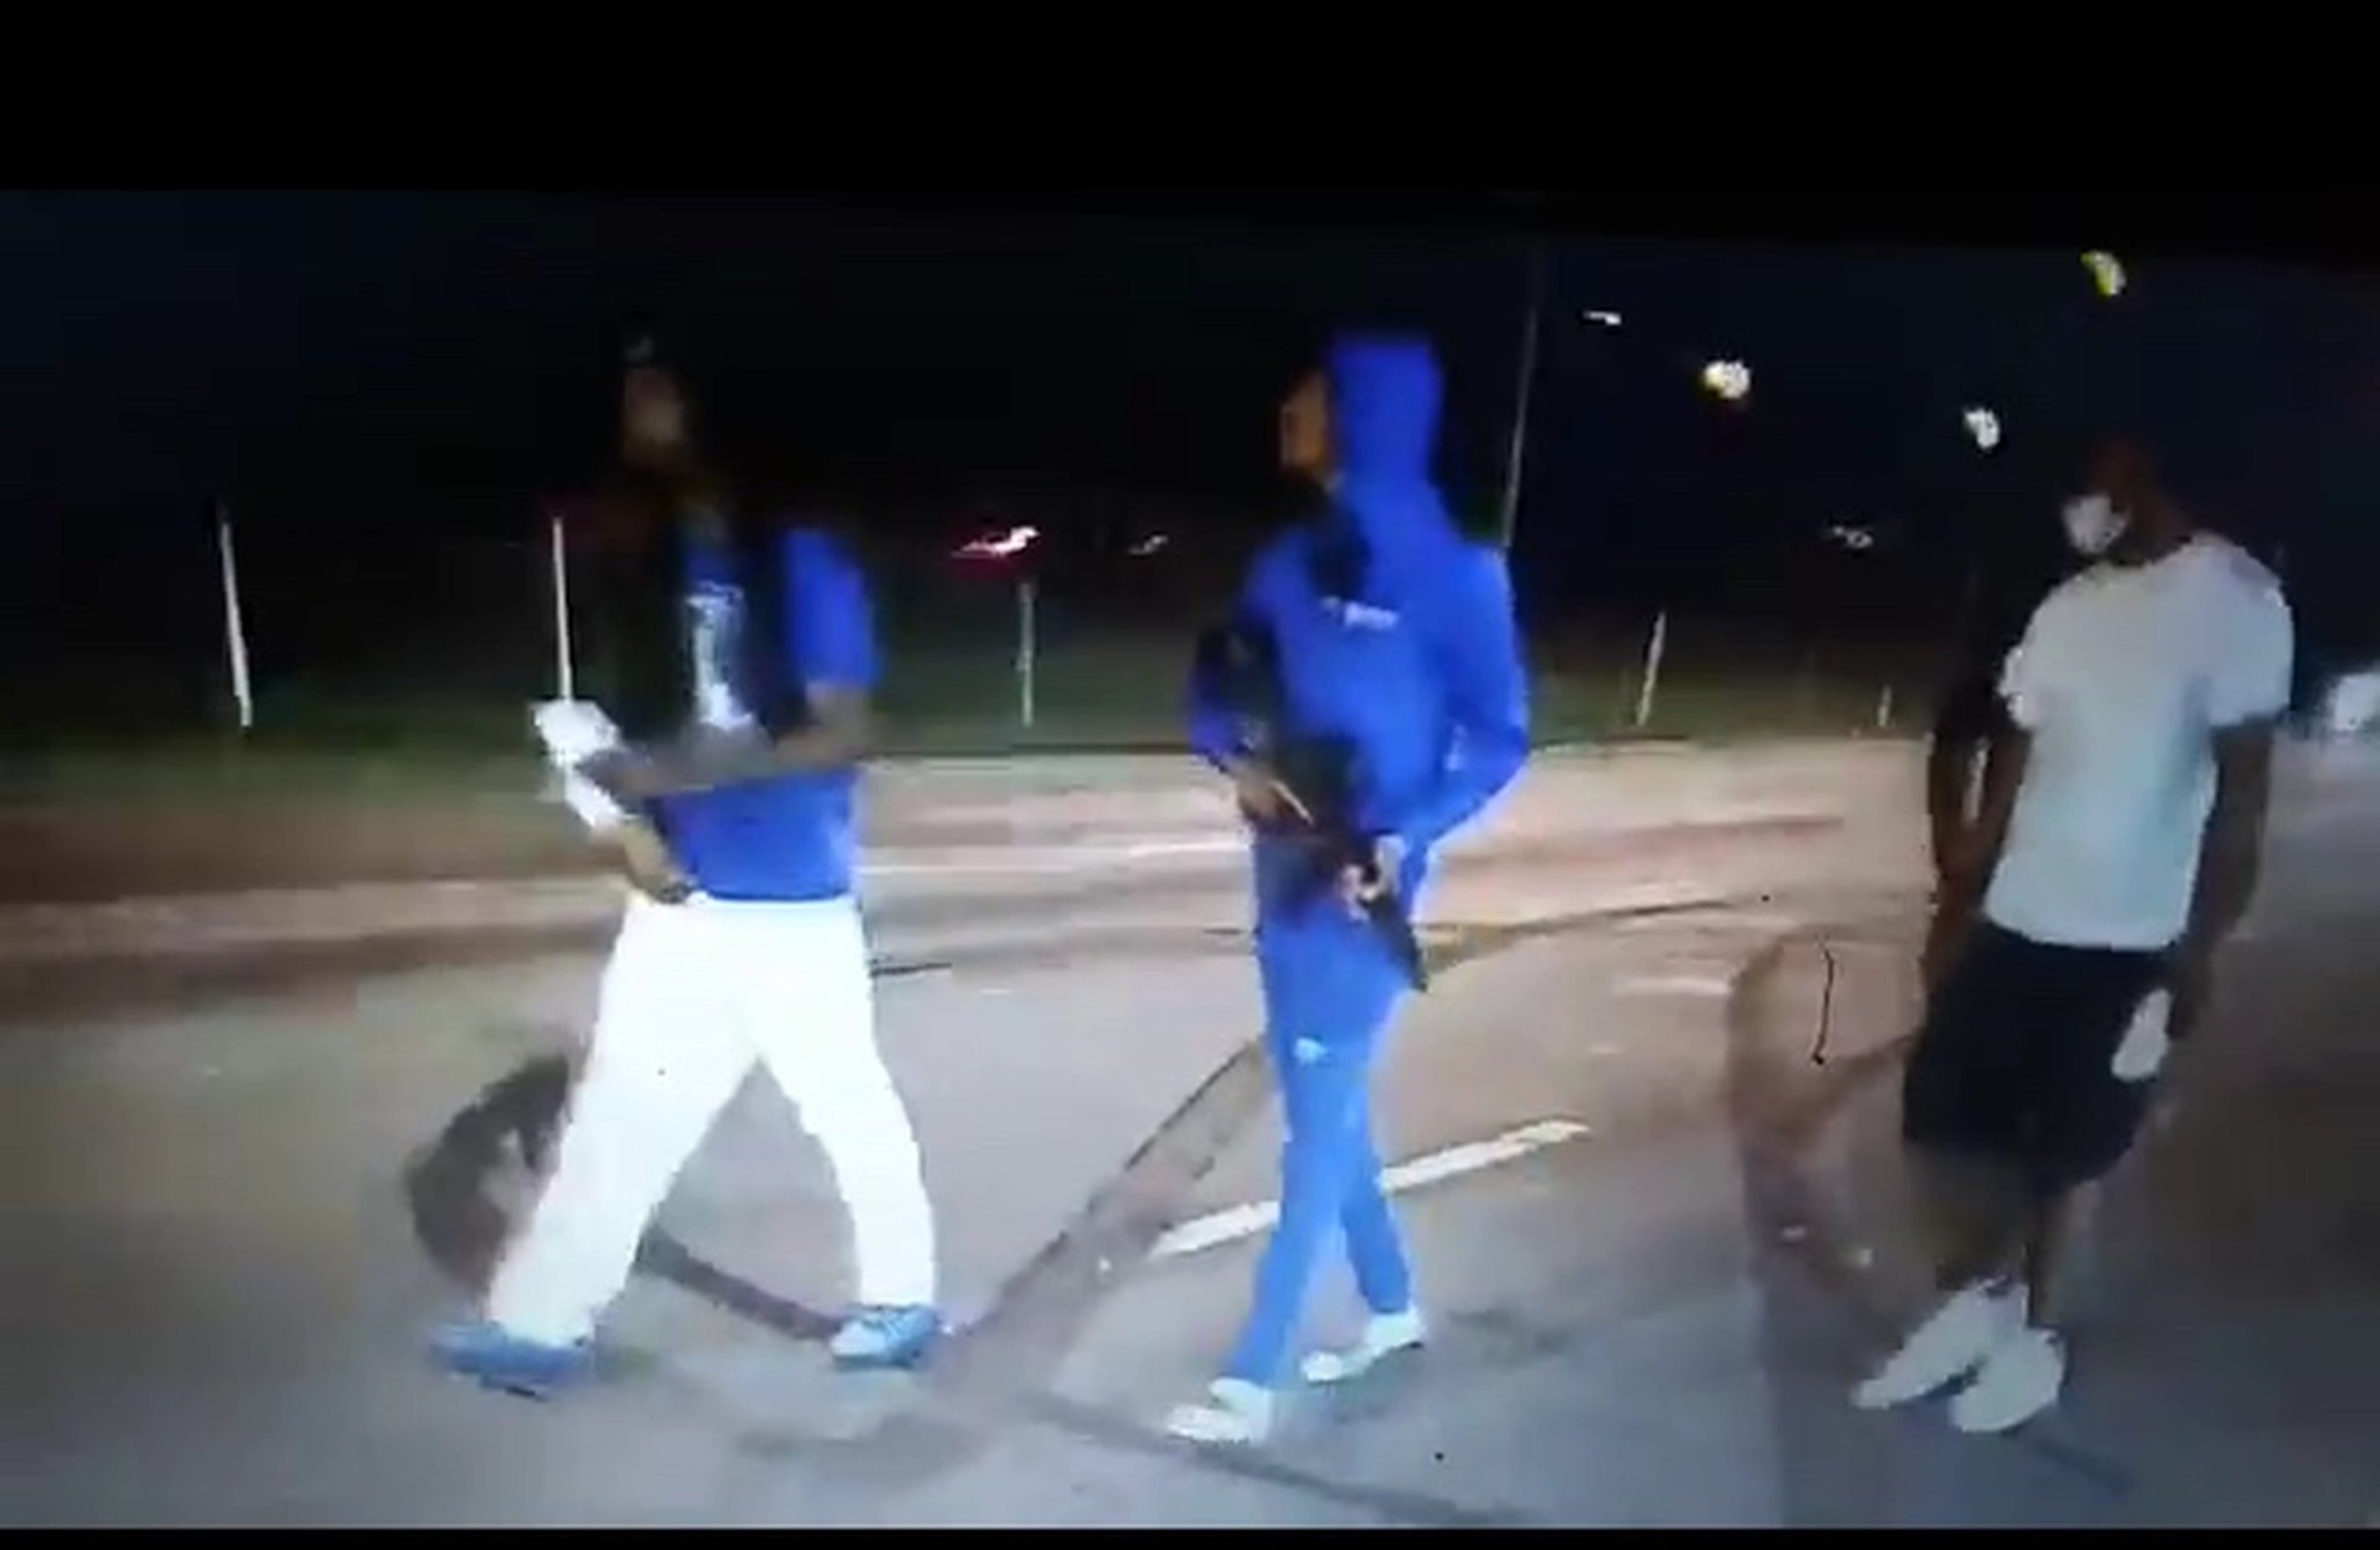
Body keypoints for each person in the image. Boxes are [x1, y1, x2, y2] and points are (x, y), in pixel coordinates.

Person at [431, 336, 943, 1397]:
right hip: (678, 899)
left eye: (655, 397)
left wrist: (682, 768)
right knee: (620, 1113)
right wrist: (621, 808)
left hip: (789, 897)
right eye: (630, 398)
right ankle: (540, 1322)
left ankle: (902, 1297)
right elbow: (626, 736)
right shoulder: (655, 571)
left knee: (844, 1104)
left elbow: (844, 728)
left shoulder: (799, 558)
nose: (634, 419)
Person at [1854, 438, 2293, 1435]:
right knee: (1941, 1126)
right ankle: (1978, 1301)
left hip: (2130, 934)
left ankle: (2036, 1340)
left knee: (2072, 1150)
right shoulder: (2070, 606)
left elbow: (2241, 797)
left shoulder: (2236, 599)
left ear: (2141, 471)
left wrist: (2200, 948)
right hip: (2019, 916)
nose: (2079, 504)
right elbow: (2016, 751)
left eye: (2093, 480)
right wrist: (1959, 899)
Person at [1165, 333, 1532, 1446]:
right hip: (1282, 869)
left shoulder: (1461, 575)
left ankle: (1254, 1372)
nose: (1291, 408)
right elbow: (1217, 689)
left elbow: (1500, 737)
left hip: (1361, 887)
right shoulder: (1292, 560)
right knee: (1326, 1101)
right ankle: (1391, 1305)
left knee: (1316, 1127)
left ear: (1366, 415)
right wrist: (1240, 759)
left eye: (1313, 396)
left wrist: (1403, 832)